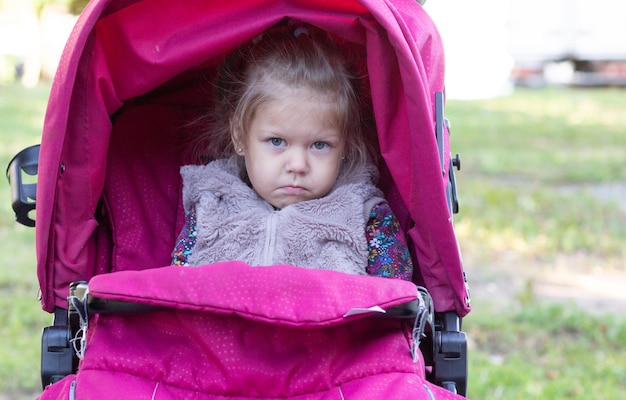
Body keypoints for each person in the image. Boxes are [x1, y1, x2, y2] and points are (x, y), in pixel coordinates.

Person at [171, 21, 413, 280]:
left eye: (320, 145)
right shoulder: (212, 201)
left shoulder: (363, 214)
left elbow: (394, 300)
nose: (298, 165)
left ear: (344, 144)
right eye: (277, 141)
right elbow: (177, 287)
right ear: (240, 136)